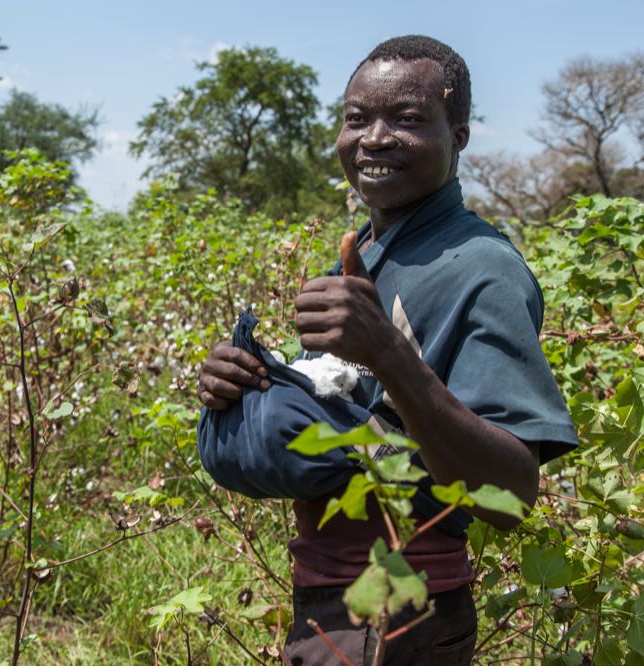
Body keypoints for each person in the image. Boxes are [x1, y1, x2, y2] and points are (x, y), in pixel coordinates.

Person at [196, 35, 577, 665]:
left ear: (458, 136)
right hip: (331, 599)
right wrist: (241, 385)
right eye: (356, 119)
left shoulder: (483, 271)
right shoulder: (366, 254)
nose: (373, 138)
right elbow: (337, 419)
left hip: (401, 615)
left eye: (406, 119)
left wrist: (390, 354)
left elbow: (511, 494)